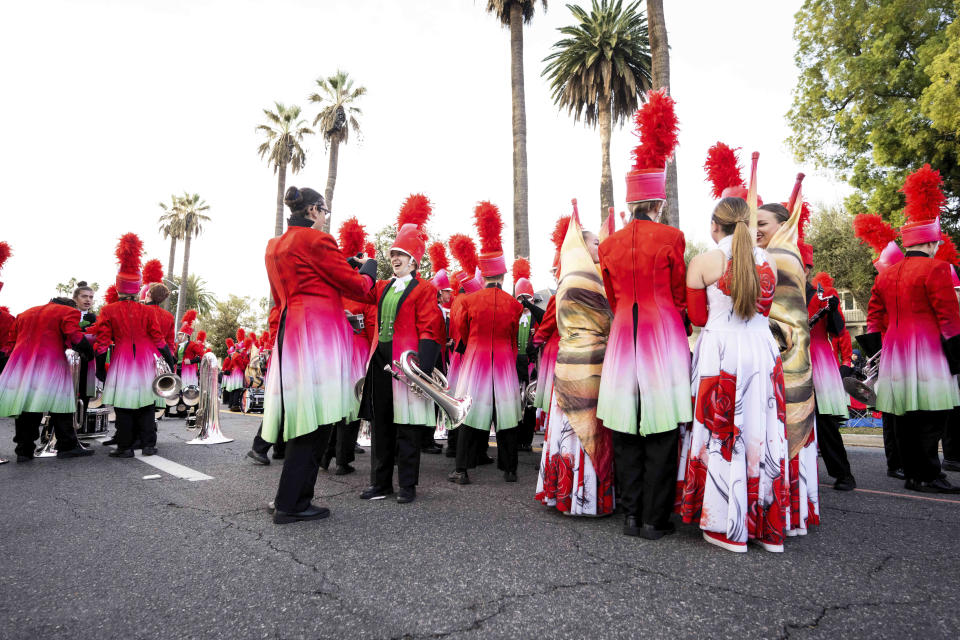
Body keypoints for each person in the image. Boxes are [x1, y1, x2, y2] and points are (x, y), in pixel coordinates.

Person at [597, 90, 689, 539]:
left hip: (622, 333)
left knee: (624, 423)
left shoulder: (610, 243)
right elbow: (677, 292)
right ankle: (656, 518)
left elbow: (613, 295)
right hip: (662, 330)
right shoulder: (672, 237)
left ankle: (632, 514)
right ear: (657, 203)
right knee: (662, 422)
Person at [260, 186, 378, 524]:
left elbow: (310, 279)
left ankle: (290, 496)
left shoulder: (274, 246)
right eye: (324, 210)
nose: (326, 217)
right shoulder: (317, 241)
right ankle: (292, 503)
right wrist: (368, 268)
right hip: (319, 332)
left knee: (303, 415)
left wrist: (346, 264)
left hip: (290, 329)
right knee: (318, 420)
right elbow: (358, 288)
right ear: (313, 210)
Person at [680, 196, 786, 552]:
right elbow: (764, 308)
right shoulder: (768, 260)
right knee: (759, 430)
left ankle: (724, 524)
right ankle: (762, 523)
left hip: (721, 353)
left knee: (720, 430)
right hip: (760, 348)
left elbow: (697, 318)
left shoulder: (704, 262)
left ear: (715, 225)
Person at [862, 165, 960, 494]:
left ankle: (912, 474)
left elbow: (874, 316)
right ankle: (929, 475)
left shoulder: (886, 274)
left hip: (894, 353)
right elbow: (948, 315)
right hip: (930, 351)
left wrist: (875, 354)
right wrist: (957, 356)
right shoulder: (938, 268)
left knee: (903, 416)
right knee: (933, 415)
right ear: (932, 244)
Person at [357, 194, 443, 504]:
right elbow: (358, 291)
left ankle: (407, 485)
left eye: (401, 254)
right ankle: (381, 484)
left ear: (414, 260)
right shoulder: (381, 285)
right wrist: (364, 264)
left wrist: (423, 369)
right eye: (393, 253)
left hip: (407, 363)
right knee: (381, 424)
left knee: (407, 425)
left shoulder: (425, 288)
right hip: (380, 359)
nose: (395, 258)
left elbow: (431, 327)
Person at [536, 211, 616, 516]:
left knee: (568, 423)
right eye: (595, 243)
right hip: (591, 360)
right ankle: (588, 496)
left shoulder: (566, 280)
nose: (600, 246)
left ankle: (564, 491)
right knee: (589, 423)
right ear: (582, 248)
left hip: (569, 359)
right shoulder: (589, 281)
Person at [756, 194, 820, 536]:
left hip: (783, 358)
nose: (755, 230)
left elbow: (774, 318)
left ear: (783, 226)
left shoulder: (778, 258)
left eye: (762, 224)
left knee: (779, 432)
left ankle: (778, 509)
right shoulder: (782, 255)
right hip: (787, 359)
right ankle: (790, 509)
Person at [450, 201, 523, 484]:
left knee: (468, 412)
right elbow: (516, 336)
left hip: (476, 357)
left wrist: (472, 345)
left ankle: (462, 469)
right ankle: (510, 469)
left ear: (485, 274)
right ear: (503, 275)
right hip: (504, 360)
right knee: (506, 414)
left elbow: (462, 330)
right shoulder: (514, 304)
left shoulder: (469, 299)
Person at [94, 233, 176, 458]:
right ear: (136, 288)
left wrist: (101, 368)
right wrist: (169, 363)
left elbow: (101, 345)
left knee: (123, 405)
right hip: (147, 361)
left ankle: (125, 447)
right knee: (147, 404)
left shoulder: (108, 310)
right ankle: (149, 445)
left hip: (122, 360)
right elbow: (159, 341)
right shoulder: (147, 311)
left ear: (119, 289)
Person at [0, 296, 95, 461]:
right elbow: (74, 335)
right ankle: (67, 446)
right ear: (71, 306)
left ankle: (24, 450)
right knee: (61, 403)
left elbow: (11, 341)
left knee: (27, 405)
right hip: (50, 360)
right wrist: (88, 352)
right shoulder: (68, 311)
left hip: (21, 362)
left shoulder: (24, 313)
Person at [318, 216, 377, 475]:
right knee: (352, 407)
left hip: (335, 352)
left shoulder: (334, 288)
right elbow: (373, 326)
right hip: (358, 351)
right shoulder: (361, 292)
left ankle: (324, 456)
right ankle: (343, 460)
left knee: (335, 406)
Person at [853, 213, 906, 479]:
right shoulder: (883, 286)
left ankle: (901, 461)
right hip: (889, 354)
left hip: (901, 353)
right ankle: (895, 463)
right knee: (892, 412)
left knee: (902, 411)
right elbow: (874, 321)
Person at [807, 270, 857, 491]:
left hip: (818, 358)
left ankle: (843, 474)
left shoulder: (823, 295)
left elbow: (838, 331)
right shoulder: (779, 293)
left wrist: (834, 309)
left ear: (807, 268)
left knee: (825, 420)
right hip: (788, 358)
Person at [512, 258, 539, 453]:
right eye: (520, 298)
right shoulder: (513, 314)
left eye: (526, 298)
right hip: (514, 363)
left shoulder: (535, 316)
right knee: (515, 401)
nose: (523, 302)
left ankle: (526, 440)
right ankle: (515, 436)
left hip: (530, 364)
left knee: (529, 402)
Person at [72, 281, 98, 419]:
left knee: (84, 394)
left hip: (88, 362)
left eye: (91, 297)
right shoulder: (68, 314)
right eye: (84, 296)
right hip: (68, 361)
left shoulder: (95, 318)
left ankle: (79, 433)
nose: (88, 300)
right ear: (75, 299)